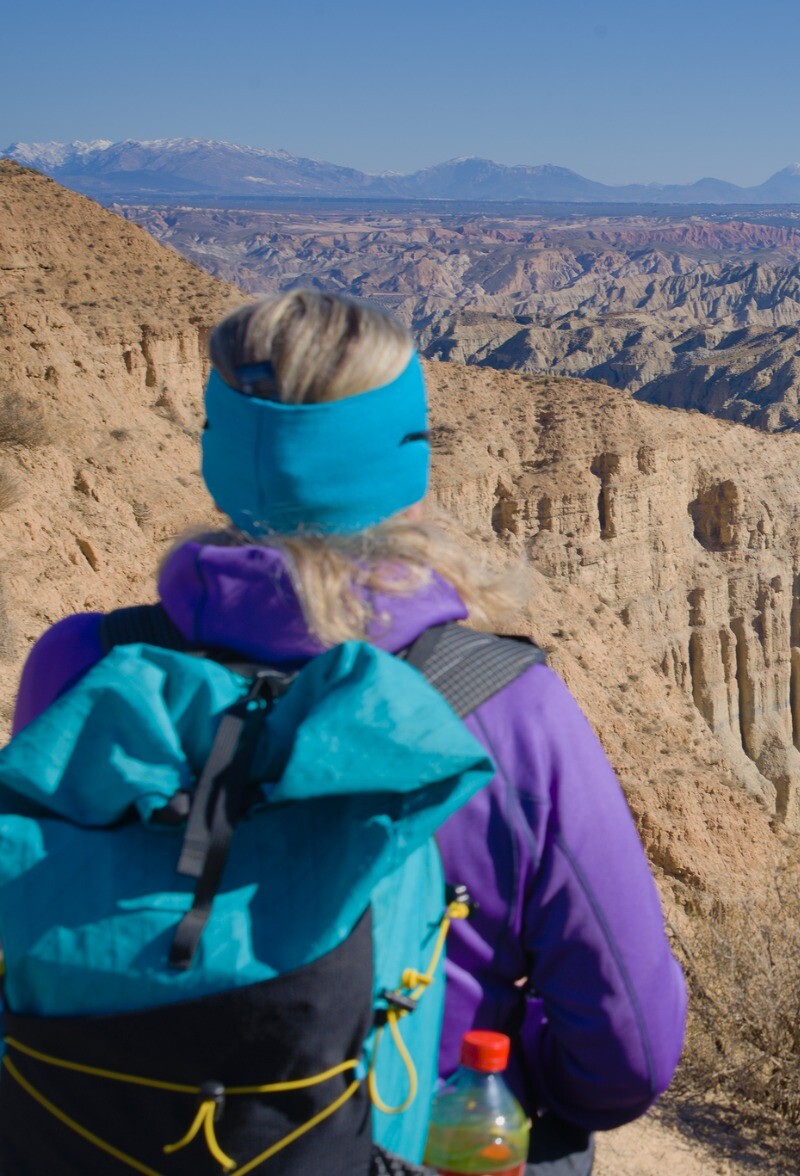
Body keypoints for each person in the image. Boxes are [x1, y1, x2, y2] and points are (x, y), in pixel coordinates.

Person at [8, 289, 687, 1174]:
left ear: (218, 448)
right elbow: (628, 1052)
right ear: (402, 454)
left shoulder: (80, 667)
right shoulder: (501, 709)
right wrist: (519, 1090)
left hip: (94, 1135)